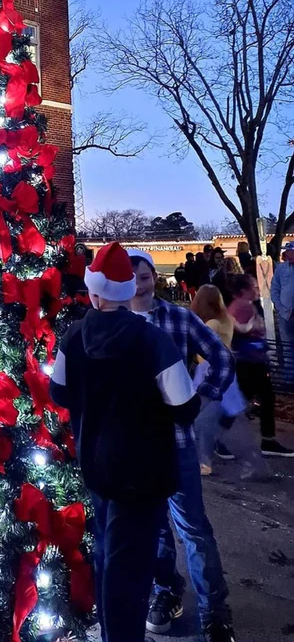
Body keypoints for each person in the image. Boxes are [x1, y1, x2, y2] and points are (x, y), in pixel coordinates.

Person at [51, 242, 200, 642]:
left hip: (96, 466)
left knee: (106, 554)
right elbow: (184, 406)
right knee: (130, 569)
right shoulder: (152, 341)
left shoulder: (74, 335)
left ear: (94, 292)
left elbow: (59, 394)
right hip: (143, 472)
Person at [127, 249, 236, 642]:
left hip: (176, 441)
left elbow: (222, 359)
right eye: (130, 278)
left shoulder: (178, 317)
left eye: (144, 276)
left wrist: (200, 396)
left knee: (194, 528)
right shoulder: (116, 322)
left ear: (154, 277)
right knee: (154, 529)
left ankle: (214, 610)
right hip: (137, 446)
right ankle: (166, 592)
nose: (138, 285)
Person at [226, 273, 293, 458]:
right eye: (253, 287)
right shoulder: (239, 307)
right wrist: (250, 328)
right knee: (247, 399)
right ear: (243, 291)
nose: (256, 290)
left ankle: (267, 439)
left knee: (260, 398)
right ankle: (219, 436)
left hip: (255, 360)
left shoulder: (248, 306)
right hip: (248, 362)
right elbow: (235, 329)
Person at [190, 286, 251, 476]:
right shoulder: (227, 321)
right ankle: (216, 447)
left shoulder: (211, 325)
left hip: (208, 371)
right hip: (227, 372)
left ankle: (204, 460)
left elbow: (201, 349)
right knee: (222, 413)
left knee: (202, 417)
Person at [271, 241, 294, 363]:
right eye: (287, 252)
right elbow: (274, 289)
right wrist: (279, 308)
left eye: (291, 252)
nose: (288, 255)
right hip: (286, 315)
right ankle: (289, 379)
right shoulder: (281, 269)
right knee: (288, 349)